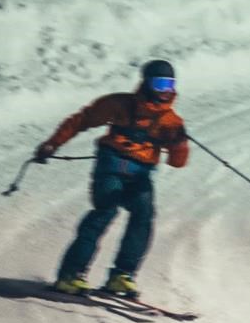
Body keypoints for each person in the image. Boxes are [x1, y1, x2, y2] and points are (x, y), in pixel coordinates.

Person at [34, 58, 190, 298]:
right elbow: (82, 120)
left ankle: (122, 276)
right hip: (111, 165)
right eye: (159, 84)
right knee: (105, 211)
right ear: (147, 83)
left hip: (141, 173)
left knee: (143, 215)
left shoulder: (171, 122)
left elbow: (177, 163)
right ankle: (70, 275)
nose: (165, 91)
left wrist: (179, 144)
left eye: (169, 84)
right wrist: (53, 144)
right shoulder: (119, 104)